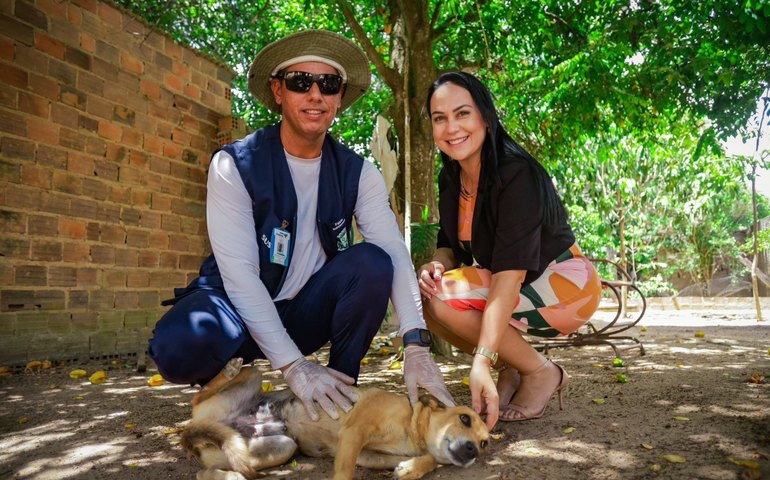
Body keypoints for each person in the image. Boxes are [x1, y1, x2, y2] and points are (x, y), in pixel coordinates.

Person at [148, 30, 453, 422]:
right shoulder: (235, 165)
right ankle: (234, 379)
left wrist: (416, 346)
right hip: (235, 312)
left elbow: (394, 252)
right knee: (178, 344)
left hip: (305, 313)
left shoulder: (360, 174)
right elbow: (240, 276)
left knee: (374, 262)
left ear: (339, 96)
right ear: (278, 91)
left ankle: (338, 394)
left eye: (328, 84)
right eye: (300, 82)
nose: (315, 94)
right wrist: (295, 367)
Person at [418, 72, 602, 429]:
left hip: (565, 287)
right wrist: (436, 264)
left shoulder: (516, 173)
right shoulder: (451, 176)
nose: (451, 127)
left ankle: (541, 372)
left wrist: (482, 359)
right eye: (440, 118)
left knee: (443, 297)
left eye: (462, 114)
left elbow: (509, 275)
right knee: (426, 293)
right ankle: (515, 369)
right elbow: (449, 244)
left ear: (485, 116)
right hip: (514, 285)